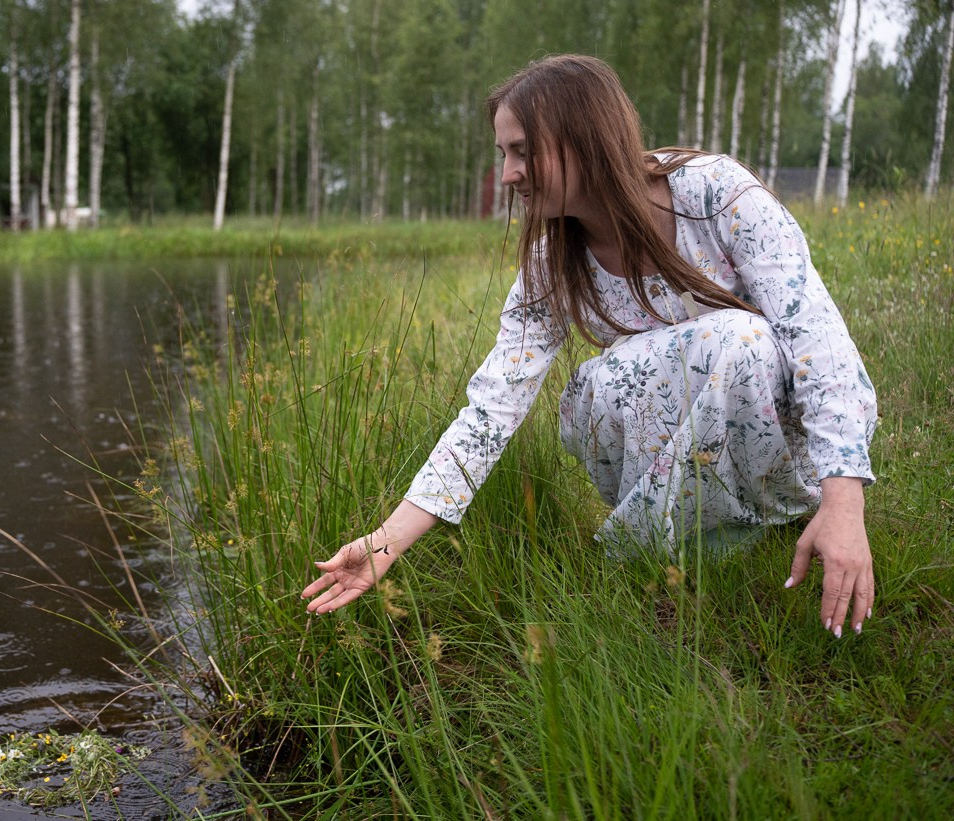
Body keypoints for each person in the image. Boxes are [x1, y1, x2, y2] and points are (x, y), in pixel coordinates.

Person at [301, 55, 877, 638]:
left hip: (783, 447)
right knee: (596, 387)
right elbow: (493, 405)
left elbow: (817, 339)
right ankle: (672, 556)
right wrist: (386, 541)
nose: (508, 175)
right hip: (671, 451)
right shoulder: (554, 257)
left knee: (741, 338)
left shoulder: (715, 193)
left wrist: (845, 502)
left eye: (523, 151)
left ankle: (677, 544)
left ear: (586, 137)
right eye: (504, 154)